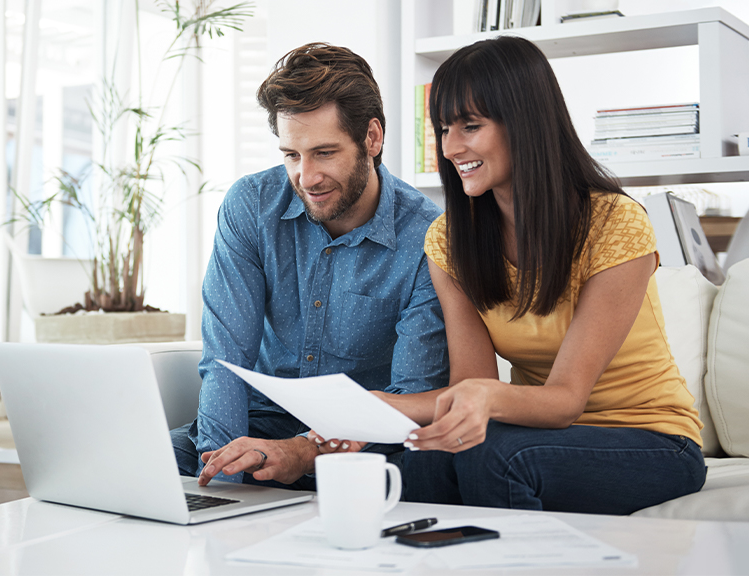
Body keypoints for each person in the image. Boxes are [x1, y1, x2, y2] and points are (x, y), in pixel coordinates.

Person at [321, 35, 705, 515]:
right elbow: (471, 386)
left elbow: (565, 400)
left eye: (470, 126)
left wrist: (478, 398)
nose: (451, 146)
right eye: (444, 129)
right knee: (413, 464)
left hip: (650, 439)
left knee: (495, 459)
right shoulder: (449, 240)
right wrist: (375, 406)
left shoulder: (615, 223)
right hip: (540, 436)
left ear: (526, 124)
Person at [170, 42, 449, 489]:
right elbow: (225, 359)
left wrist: (304, 450)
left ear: (372, 138)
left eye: (324, 152)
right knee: (143, 466)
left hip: (362, 444)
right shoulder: (251, 206)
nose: (306, 177)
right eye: (291, 155)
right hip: (257, 425)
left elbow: (410, 394)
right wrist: (221, 475)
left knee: (424, 474)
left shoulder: (427, 238)